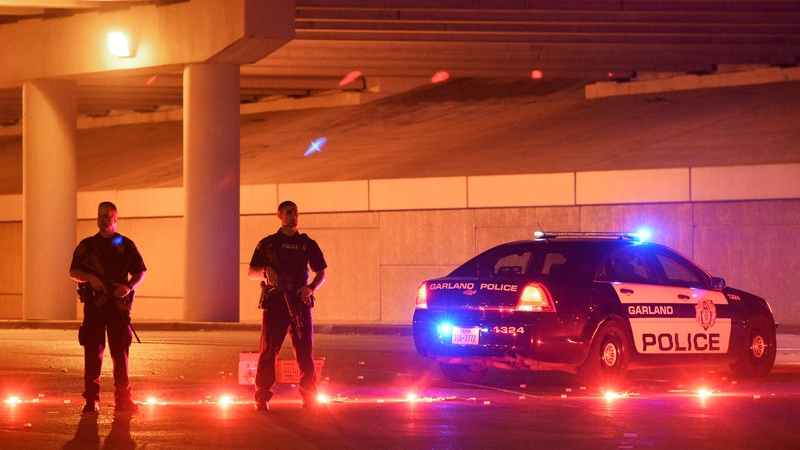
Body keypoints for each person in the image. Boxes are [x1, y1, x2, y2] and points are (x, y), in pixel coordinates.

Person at [248, 200, 327, 410]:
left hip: (299, 303)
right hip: (275, 305)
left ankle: (309, 397)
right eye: (289, 212)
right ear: (280, 215)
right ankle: (261, 397)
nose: (294, 216)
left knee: (305, 354)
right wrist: (266, 269)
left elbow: (321, 273)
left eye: (296, 212)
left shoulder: (306, 243)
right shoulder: (269, 243)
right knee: (268, 352)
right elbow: (251, 272)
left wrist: (310, 288)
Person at [69, 202, 146, 413]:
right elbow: (74, 271)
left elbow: (140, 272)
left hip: (117, 307)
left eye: (107, 216)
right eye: (99, 216)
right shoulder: (88, 245)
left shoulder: (126, 245)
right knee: (93, 352)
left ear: (115, 219)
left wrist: (128, 287)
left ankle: (123, 398)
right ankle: (91, 399)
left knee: (120, 354)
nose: (103, 219)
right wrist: (91, 277)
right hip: (95, 306)